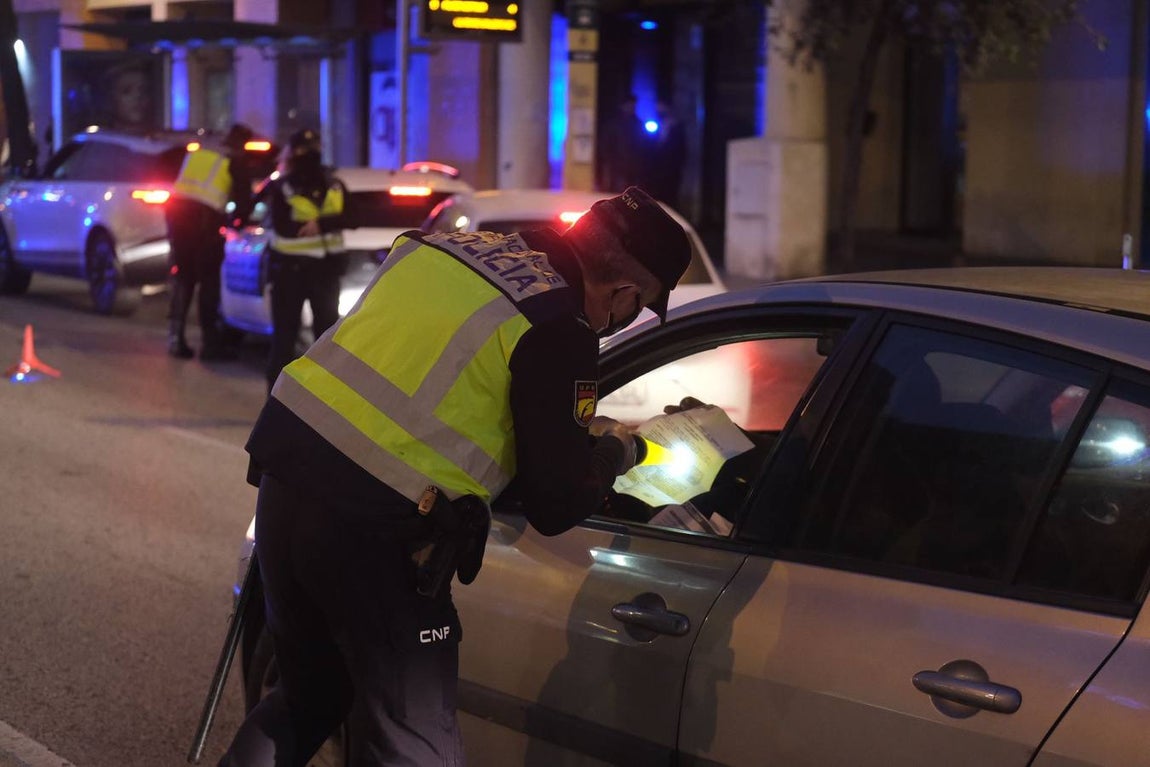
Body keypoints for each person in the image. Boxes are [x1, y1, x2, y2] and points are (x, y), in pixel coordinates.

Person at [215, 186, 692, 766]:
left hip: (284, 481)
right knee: (415, 748)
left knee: (309, 698)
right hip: (374, 533)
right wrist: (617, 449)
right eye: (639, 308)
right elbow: (556, 502)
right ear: (623, 292)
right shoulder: (558, 326)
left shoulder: (448, 248)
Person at [261, 128, 353, 391]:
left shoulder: (284, 185)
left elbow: (279, 226)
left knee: (284, 340)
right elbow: (355, 218)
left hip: (290, 272)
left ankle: (275, 404)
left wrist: (316, 225)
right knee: (325, 341)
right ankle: (321, 403)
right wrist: (324, 225)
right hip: (325, 272)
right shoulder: (335, 184)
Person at [165, 123, 255, 360]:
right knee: (209, 283)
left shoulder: (200, 152)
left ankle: (175, 337)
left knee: (183, 277)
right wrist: (239, 223)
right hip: (205, 224)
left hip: (178, 217)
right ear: (242, 143)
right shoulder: (236, 161)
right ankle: (211, 345)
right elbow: (244, 202)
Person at [597, 93, 649, 192]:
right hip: (617, 166)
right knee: (616, 192)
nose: (631, 107)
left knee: (630, 193)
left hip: (633, 166)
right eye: (629, 104)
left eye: (633, 105)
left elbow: (643, 145)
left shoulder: (638, 124)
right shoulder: (614, 123)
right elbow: (606, 144)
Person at [648, 99, 688, 210]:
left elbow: (681, 150)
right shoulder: (654, 125)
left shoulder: (676, 127)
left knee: (670, 198)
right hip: (656, 171)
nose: (659, 110)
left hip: (671, 170)